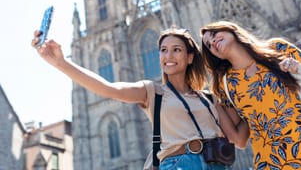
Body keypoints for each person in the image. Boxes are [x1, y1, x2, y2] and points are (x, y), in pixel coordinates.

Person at [31, 26, 249, 170]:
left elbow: (239, 139)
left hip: (216, 164)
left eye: (176, 50)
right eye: (163, 50)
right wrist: (60, 62)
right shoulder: (152, 91)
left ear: (190, 57)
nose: (168, 56)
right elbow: (108, 88)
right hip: (178, 164)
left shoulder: (210, 98)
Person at [200, 20, 301, 170]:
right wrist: (212, 100)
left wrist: (299, 69)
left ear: (230, 29)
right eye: (208, 45)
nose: (212, 42)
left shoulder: (278, 48)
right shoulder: (225, 84)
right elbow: (239, 139)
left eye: (214, 34)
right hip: (274, 162)